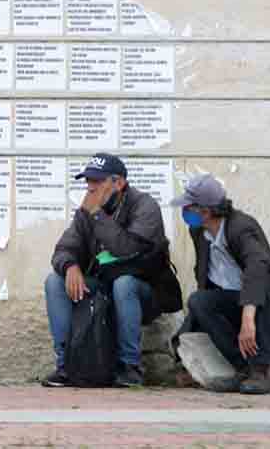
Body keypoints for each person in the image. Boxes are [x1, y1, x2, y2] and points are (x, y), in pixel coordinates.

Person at [43, 154, 182, 388]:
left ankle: (130, 367)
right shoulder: (86, 211)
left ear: (118, 183)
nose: (90, 187)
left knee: (124, 283)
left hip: (145, 290)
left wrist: (97, 215)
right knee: (54, 282)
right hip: (104, 285)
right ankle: (67, 364)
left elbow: (126, 248)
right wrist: (70, 266)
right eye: (88, 181)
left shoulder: (144, 206)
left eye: (97, 181)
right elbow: (64, 248)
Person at [171, 173, 270, 395]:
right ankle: (242, 367)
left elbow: (257, 269)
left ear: (206, 210)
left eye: (188, 207)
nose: (184, 211)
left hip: (259, 300)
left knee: (268, 290)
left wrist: (248, 316)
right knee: (199, 301)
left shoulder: (241, 227)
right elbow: (203, 272)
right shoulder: (198, 230)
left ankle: (259, 370)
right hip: (230, 298)